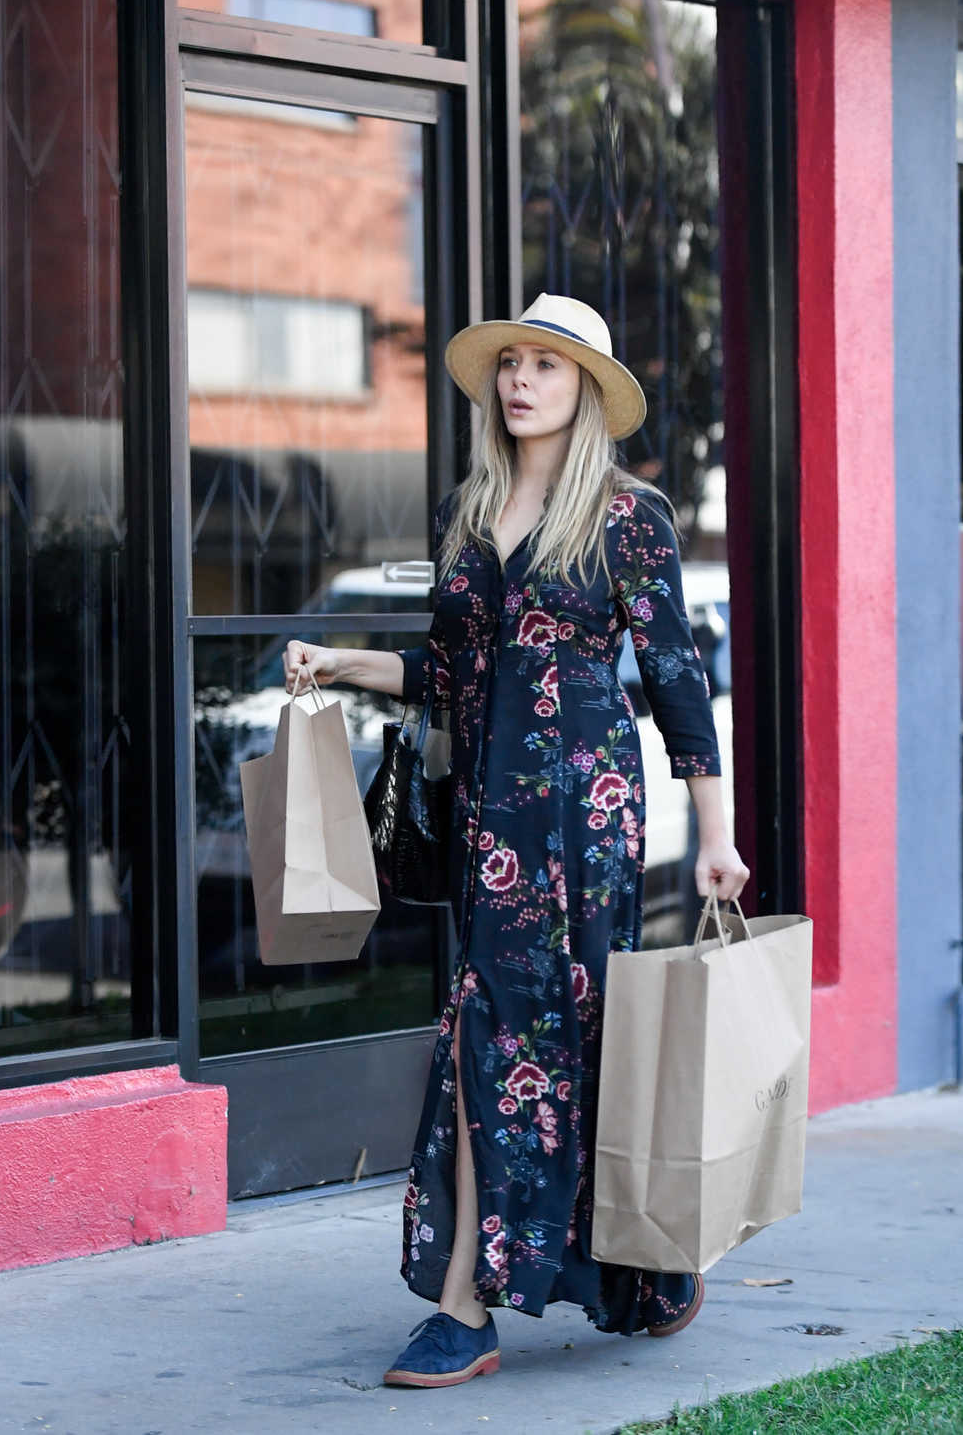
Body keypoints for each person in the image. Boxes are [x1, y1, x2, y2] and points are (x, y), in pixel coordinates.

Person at [283, 294, 749, 1389]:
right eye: (510, 364)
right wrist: (341, 664)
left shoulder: (628, 516)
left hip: (583, 817)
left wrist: (718, 838)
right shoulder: (470, 507)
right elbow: (450, 678)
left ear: (584, 387)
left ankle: (564, 1282)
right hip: (489, 811)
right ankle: (525, 1291)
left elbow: (679, 686)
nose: (520, 380)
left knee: (573, 1037)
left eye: (546, 364)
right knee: (485, 1033)